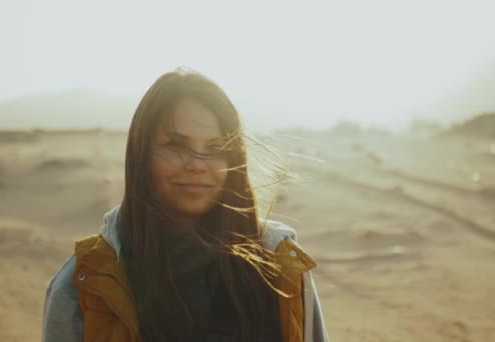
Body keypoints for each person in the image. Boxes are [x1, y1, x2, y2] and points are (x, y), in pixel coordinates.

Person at [41, 68, 328, 342]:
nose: (197, 165)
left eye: (215, 149)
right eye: (176, 145)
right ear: (142, 155)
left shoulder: (281, 266)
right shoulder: (84, 284)